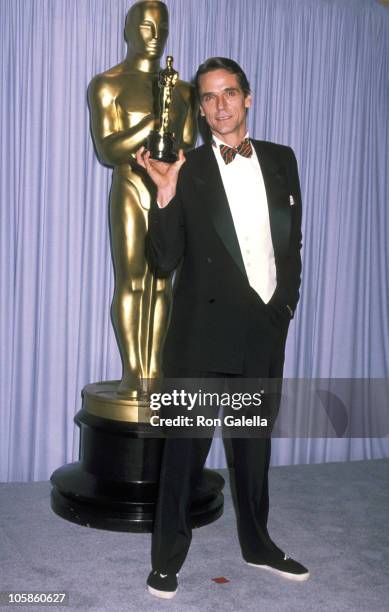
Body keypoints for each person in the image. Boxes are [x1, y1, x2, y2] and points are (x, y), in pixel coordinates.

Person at [136, 57, 308, 599]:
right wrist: (163, 197)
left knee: (253, 451)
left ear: (247, 98)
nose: (219, 105)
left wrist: (284, 308)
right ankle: (166, 559)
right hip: (201, 337)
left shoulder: (282, 160)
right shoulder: (188, 169)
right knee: (183, 455)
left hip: (263, 333)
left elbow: (290, 247)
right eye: (208, 98)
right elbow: (164, 261)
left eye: (228, 93)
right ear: (200, 107)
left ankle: (257, 542)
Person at [88, 0, 196, 396]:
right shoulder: (108, 84)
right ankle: (134, 371)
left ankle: (156, 368)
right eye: (147, 27)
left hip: (168, 191)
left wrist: (171, 120)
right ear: (130, 29)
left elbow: (186, 145)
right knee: (132, 281)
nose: (155, 36)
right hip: (130, 187)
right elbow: (108, 150)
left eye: (161, 29)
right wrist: (156, 121)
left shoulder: (184, 89)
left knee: (163, 283)